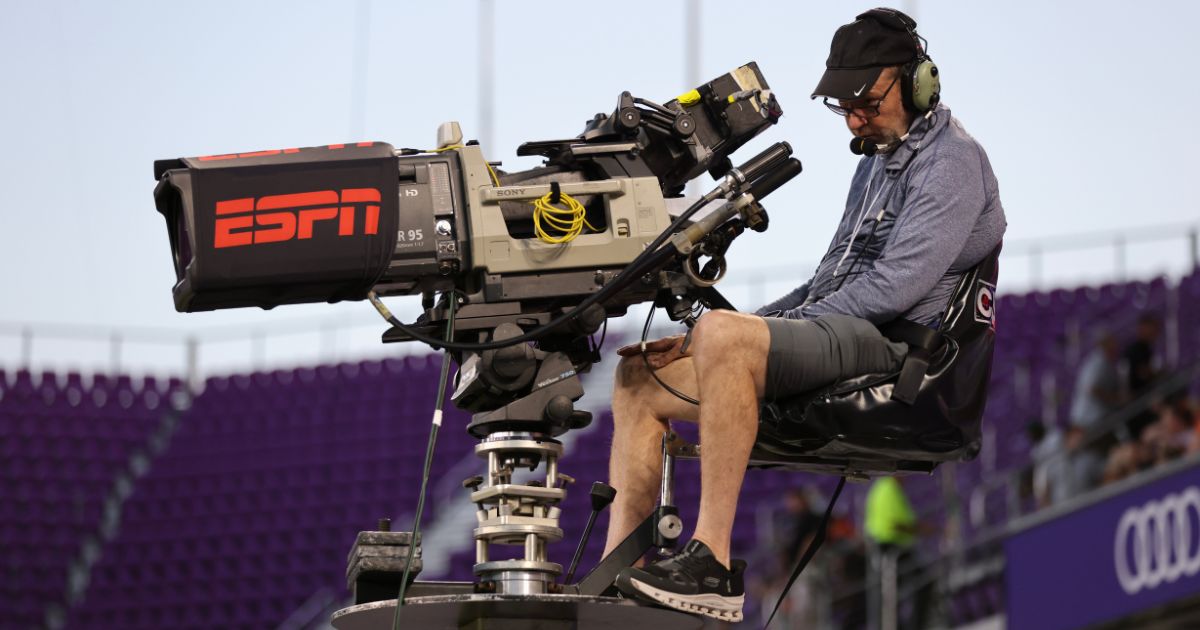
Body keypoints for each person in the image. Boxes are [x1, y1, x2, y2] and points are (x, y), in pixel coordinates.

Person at [602, 8, 1006, 621]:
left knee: (724, 336)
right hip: (842, 327)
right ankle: (617, 575)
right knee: (640, 376)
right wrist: (721, 333)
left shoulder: (953, 162)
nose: (855, 120)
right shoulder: (873, 164)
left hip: (895, 348)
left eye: (866, 103)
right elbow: (825, 281)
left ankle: (711, 564)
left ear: (919, 82)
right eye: (844, 107)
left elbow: (893, 289)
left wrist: (747, 333)